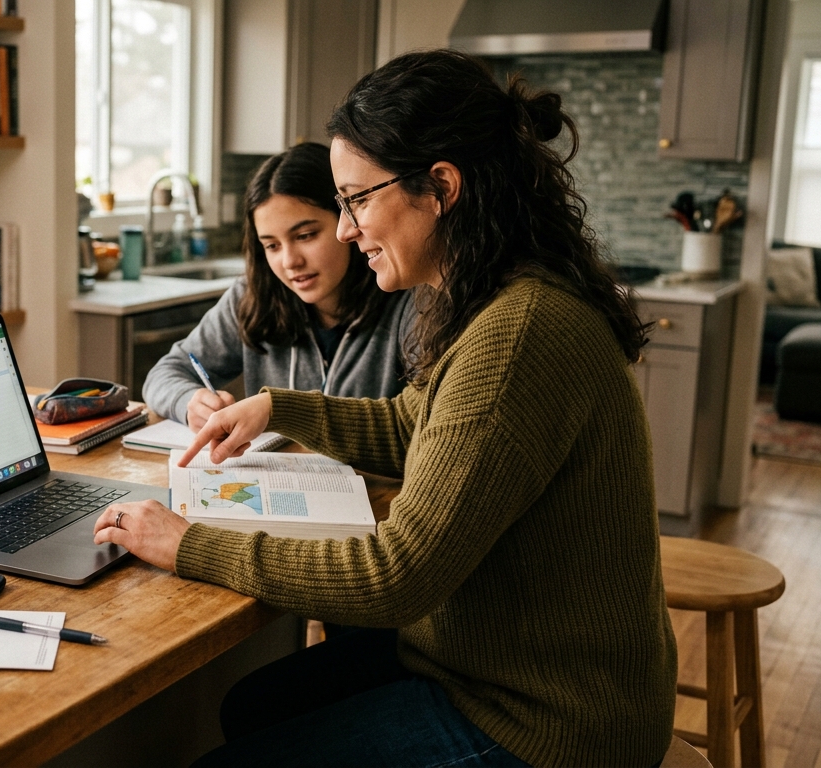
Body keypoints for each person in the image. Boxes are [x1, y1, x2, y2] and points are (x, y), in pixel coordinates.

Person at [94, 49, 677, 767]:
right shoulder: (496, 298)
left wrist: (186, 544)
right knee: (252, 705)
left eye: (356, 200)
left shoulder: (518, 333)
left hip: (548, 720)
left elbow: (396, 579)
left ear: (440, 187)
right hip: (486, 664)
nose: (343, 229)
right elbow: (411, 425)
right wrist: (278, 406)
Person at [142, 142, 413, 431]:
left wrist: (284, 412)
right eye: (271, 245)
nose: (289, 262)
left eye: (306, 235)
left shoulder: (408, 302)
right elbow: (165, 372)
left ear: (348, 220)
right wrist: (190, 402)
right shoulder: (253, 296)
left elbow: (417, 422)